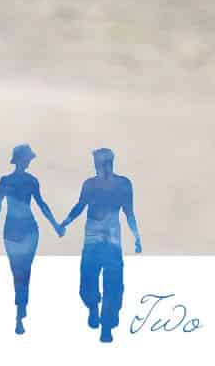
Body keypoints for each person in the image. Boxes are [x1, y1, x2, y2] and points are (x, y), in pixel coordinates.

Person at [58, 147, 140, 342]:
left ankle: (106, 326)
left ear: (106, 163)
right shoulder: (93, 184)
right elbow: (80, 206)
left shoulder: (122, 184)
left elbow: (129, 213)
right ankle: (95, 309)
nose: (95, 167)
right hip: (98, 239)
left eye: (96, 164)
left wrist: (137, 236)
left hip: (108, 241)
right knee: (91, 279)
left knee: (110, 284)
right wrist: (66, 222)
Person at [0, 143, 63, 336]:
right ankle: (20, 307)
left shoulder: (27, 181)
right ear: (22, 159)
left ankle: (20, 308)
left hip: (25, 230)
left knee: (21, 271)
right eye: (28, 159)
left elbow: (41, 204)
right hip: (16, 230)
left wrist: (56, 225)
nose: (29, 162)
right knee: (19, 271)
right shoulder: (11, 181)